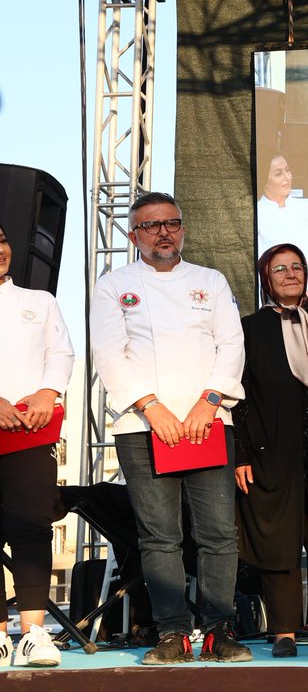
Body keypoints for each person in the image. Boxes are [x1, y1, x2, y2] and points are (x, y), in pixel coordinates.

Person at [90, 192, 250, 665]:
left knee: (219, 534)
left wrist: (209, 401)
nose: (164, 232)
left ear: (183, 228)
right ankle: (172, 634)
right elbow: (108, 353)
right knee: (159, 537)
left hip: (207, 422)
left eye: (172, 223)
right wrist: (151, 407)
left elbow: (232, 345)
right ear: (133, 234)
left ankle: (219, 631)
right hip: (143, 426)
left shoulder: (211, 281)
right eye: (152, 225)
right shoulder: (113, 285)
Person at [233, 244, 308, 657]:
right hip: (270, 454)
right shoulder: (248, 329)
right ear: (267, 277)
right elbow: (236, 396)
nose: (291, 274)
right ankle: (284, 630)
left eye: (297, 266)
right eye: (280, 268)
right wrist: (241, 454)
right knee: (278, 544)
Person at [0, 223, 74, 668]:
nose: (0, 251)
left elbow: (60, 353)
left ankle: (32, 633)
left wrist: (48, 391)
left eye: (3, 241)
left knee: (31, 526)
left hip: (31, 430)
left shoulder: (38, 301)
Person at [255, 153, 308, 311]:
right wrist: (298, 294)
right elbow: (263, 267)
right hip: (280, 305)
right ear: (263, 178)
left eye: (287, 170)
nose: (287, 177)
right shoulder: (257, 214)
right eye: (278, 173)